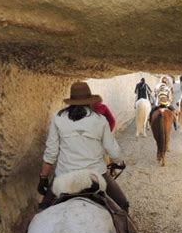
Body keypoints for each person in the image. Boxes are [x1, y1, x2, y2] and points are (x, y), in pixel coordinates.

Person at [37, 82, 129, 212]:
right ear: (89, 101)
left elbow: (51, 152)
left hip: (65, 174)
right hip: (96, 174)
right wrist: (119, 161)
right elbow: (112, 150)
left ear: (71, 101)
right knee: (123, 204)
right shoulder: (100, 120)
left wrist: (44, 177)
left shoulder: (58, 119)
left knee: (43, 210)